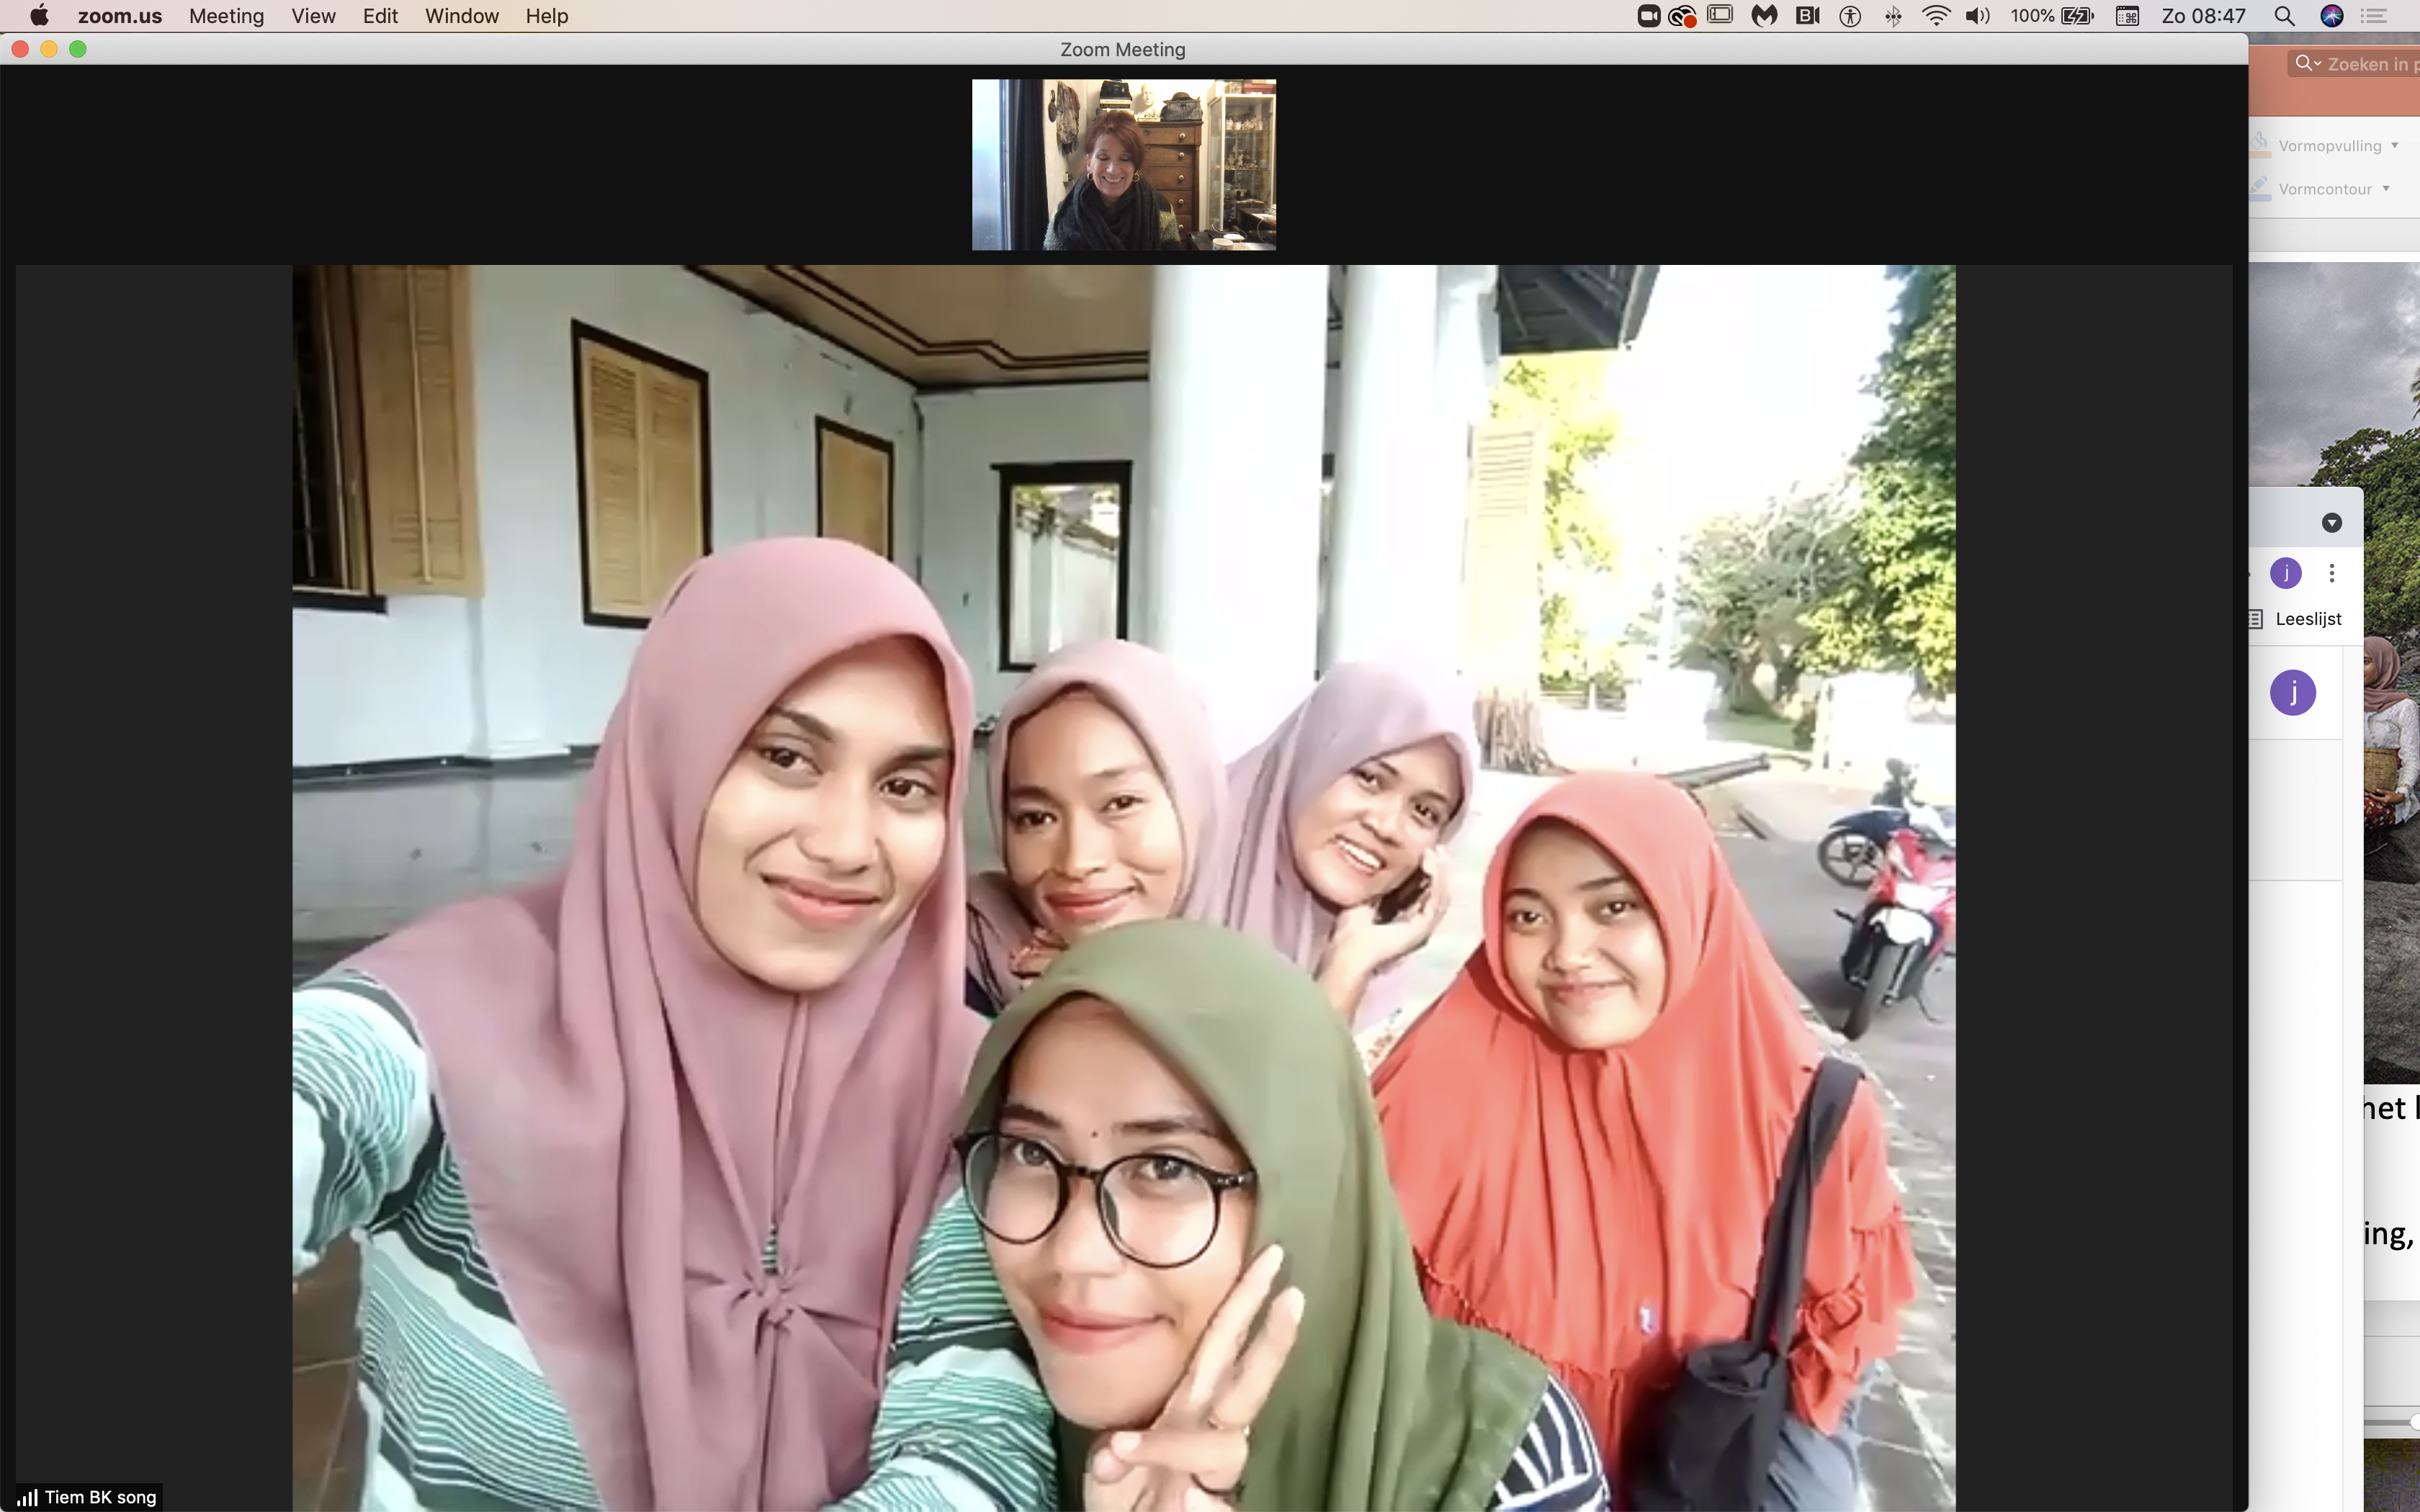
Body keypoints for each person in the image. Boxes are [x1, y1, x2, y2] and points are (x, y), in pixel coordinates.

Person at [290, 539, 1047, 1511]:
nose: (846, 844)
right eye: (786, 757)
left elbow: (976, 1452)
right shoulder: (447, 1018)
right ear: (671, 750)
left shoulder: (971, 1092)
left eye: (905, 786)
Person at [1369, 772, 1919, 1511]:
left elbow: (1825, 1392)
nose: (1568, 952)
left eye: (1614, 907)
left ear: (1688, 906)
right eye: (1528, 916)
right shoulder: (1438, 1084)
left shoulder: (1813, 1118)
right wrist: (1345, 976)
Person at [955, 918, 1612, 1511]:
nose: (1074, 1253)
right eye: (1029, 1152)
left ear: (1305, 1194)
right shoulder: (960, 1407)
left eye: (1166, 1168)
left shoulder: (1491, 1451)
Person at [1204, 661, 1476, 1043]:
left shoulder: (1378, 957)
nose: (1386, 827)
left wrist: (1352, 962)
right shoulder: (1175, 877)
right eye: (1370, 779)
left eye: (1424, 812)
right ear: (1311, 755)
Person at [965, 639, 1223, 1019]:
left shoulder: (1271, 965)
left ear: (1194, 804)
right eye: (1036, 818)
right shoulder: (957, 961)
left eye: (1120, 804)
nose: (1077, 862)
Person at [1046, 110, 1186, 253]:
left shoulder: (1161, 212)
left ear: (1136, 166)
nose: (1113, 170)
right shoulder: (1063, 216)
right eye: (1103, 158)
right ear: (1089, 163)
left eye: (1125, 159)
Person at [2367, 634, 2419, 828]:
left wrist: (2401, 794)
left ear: (2384, 664)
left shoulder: (2405, 707)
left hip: (2383, 795)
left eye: (2365, 662)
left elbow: (2411, 759)